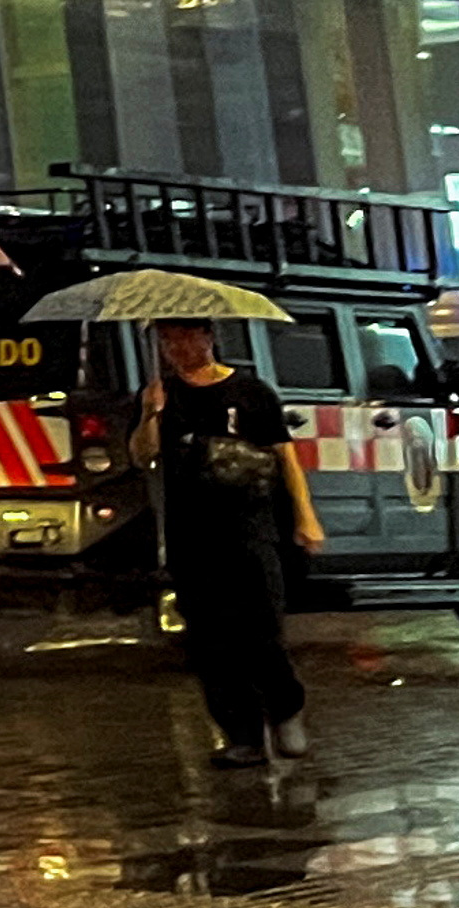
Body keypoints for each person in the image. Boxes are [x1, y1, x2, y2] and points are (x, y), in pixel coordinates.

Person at [127, 308, 319, 766]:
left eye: (185, 338)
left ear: (209, 336)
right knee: (212, 641)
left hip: (250, 530)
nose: (176, 350)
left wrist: (306, 517)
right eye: (167, 341)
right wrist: (149, 414)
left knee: (263, 631)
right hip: (192, 536)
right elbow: (142, 456)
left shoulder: (251, 392)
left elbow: (286, 459)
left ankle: (286, 709)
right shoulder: (160, 394)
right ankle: (242, 735)